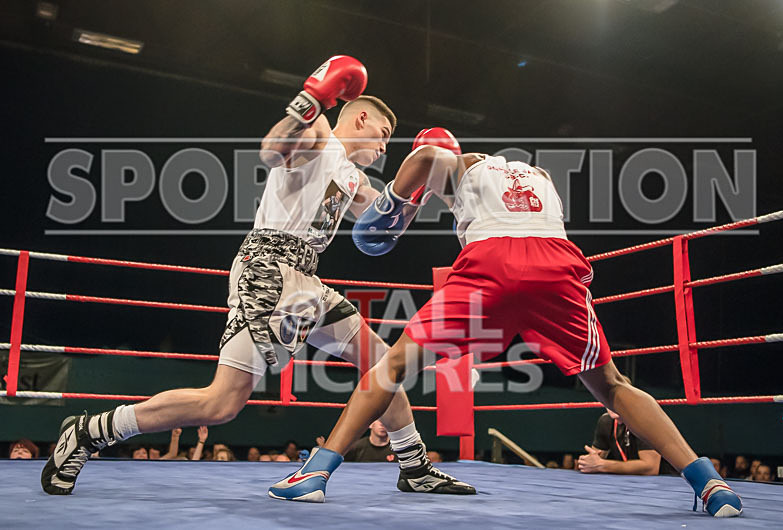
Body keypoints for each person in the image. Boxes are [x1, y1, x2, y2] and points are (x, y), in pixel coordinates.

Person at [41, 55, 473, 499]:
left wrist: (424, 182)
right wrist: (311, 100)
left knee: (384, 364)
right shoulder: (321, 136)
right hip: (267, 270)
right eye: (383, 135)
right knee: (221, 404)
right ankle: (91, 431)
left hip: (308, 281)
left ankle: (415, 466)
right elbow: (271, 149)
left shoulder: (354, 179)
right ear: (360, 116)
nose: (385, 147)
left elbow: (384, 229)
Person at [268, 128, 743, 517]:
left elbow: (431, 155)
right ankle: (708, 483)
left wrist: (395, 201)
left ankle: (316, 472)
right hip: (557, 266)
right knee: (614, 386)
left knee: (391, 368)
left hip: (491, 262)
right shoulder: (537, 173)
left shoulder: (462, 162)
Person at [579, 408, 662, 476]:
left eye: (616, 400)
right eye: (606, 399)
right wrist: (587, 462)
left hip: (662, 485)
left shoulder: (644, 420)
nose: (611, 404)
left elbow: (651, 467)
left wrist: (603, 465)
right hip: (625, 482)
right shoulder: (606, 421)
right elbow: (595, 460)